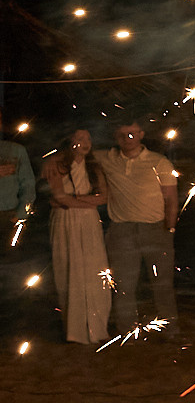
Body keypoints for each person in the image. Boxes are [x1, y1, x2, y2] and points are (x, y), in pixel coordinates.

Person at [96, 123, 180, 336]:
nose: (127, 138)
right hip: (122, 231)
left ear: (141, 134)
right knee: (124, 285)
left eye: (132, 134)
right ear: (116, 137)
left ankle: (170, 330)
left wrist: (169, 230)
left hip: (155, 229)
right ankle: (127, 332)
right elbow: (77, 152)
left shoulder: (159, 162)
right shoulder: (108, 158)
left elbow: (171, 199)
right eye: (122, 135)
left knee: (162, 284)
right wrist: (53, 159)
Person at [41, 130, 110, 345]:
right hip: (65, 220)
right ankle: (75, 329)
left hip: (89, 221)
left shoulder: (93, 166)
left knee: (94, 267)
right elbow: (60, 197)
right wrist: (84, 201)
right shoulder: (57, 164)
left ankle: (97, 326)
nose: (85, 143)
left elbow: (103, 197)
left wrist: (75, 199)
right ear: (69, 141)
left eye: (88, 138)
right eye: (79, 139)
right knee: (69, 268)